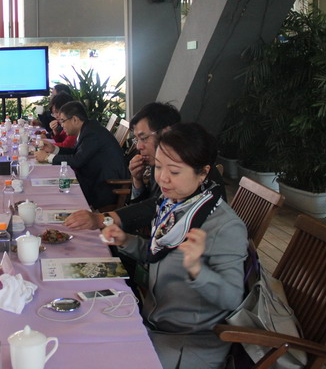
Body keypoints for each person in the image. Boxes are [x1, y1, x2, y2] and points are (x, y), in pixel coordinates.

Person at [101, 123, 247, 368]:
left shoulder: (224, 226)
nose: (162, 178)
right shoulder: (174, 205)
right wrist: (125, 240)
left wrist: (197, 269)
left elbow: (232, 299)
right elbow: (157, 253)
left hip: (186, 343)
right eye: (158, 167)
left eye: (175, 171)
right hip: (153, 323)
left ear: (203, 173)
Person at [64, 102, 226, 233]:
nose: (139, 146)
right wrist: (137, 180)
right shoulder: (160, 161)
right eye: (136, 140)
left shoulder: (191, 165)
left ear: (166, 132)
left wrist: (103, 219)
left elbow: (156, 205)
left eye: (143, 138)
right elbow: (152, 203)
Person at [35, 101, 128, 210]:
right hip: (94, 179)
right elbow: (76, 152)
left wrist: (47, 157)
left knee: (54, 193)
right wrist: (54, 149)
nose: (62, 125)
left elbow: (77, 160)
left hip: (104, 187)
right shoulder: (88, 128)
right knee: (53, 187)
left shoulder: (91, 133)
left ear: (75, 119)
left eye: (63, 121)